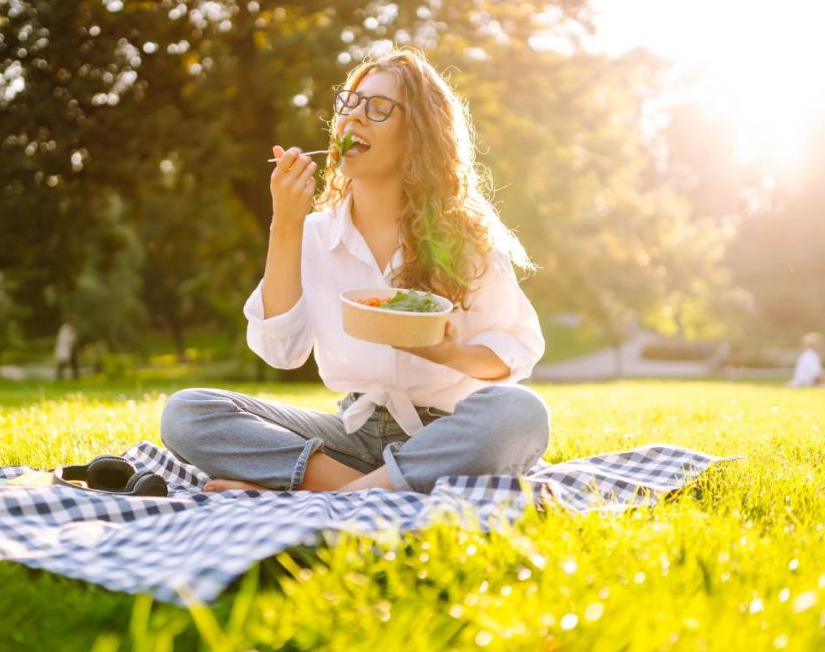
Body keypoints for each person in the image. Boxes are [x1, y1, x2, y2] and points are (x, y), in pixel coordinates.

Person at [160, 47, 549, 494]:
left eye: (379, 108)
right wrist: (285, 223)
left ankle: (335, 494)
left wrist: (445, 353)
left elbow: (518, 346)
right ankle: (372, 489)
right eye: (349, 103)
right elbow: (280, 352)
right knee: (188, 413)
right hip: (349, 435)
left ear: (419, 134)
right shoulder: (312, 235)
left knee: (521, 414)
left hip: (444, 435)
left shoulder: (463, 240)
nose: (354, 118)